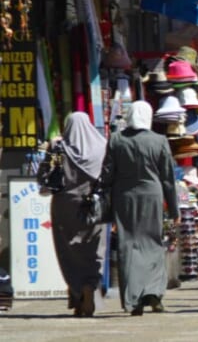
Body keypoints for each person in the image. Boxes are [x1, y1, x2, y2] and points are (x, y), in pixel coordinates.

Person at [99, 101, 180, 315]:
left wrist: (104, 198)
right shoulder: (159, 140)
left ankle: (133, 299)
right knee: (153, 242)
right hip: (152, 197)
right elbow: (168, 179)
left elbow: (107, 173)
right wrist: (174, 210)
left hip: (124, 198)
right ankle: (152, 291)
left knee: (128, 245)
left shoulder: (116, 140)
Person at [36, 112, 107, 317]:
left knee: (68, 251)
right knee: (95, 248)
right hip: (93, 206)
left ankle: (76, 291)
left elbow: (42, 176)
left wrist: (48, 146)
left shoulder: (59, 149)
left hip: (64, 206)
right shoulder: (101, 146)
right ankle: (90, 286)